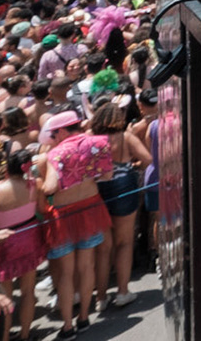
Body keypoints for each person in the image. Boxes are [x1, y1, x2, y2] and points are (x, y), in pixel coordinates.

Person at [36, 111, 109, 334]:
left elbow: (49, 187)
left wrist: (36, 181)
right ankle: (85, 318)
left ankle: (68, 326)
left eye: (54, 134)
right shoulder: (98, 142)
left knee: (66, 273)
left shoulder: (55, 154)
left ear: (62, 131)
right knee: (87, 266)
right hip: (91, 207)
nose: (53, 138)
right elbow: (106, 175)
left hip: (63, 216)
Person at [86, 98, 148, 312]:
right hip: (124, 187)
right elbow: (147, 159)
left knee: (103, 248)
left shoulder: (89, 139)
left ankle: (100, 298)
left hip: (97, 191)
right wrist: (133, 164)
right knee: (124, 243)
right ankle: (122, 292)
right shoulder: (126, 137)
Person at [0, 149, 43, 341]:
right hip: (30, 238)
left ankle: (5, 336)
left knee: (5, 298)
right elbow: (41, 210)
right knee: (28, 291)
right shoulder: (34, 185)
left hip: (4, 243)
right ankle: (25, 335)